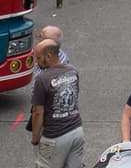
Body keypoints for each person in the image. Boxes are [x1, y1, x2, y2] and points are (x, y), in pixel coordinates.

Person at [29, 38, 83, 168]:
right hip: (77, 131)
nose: (37, 61)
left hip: (55, 136)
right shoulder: (73, 71)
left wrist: (35, 138)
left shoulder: (42, 79)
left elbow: (37, 112)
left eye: (39, 57)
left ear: (48, 56)